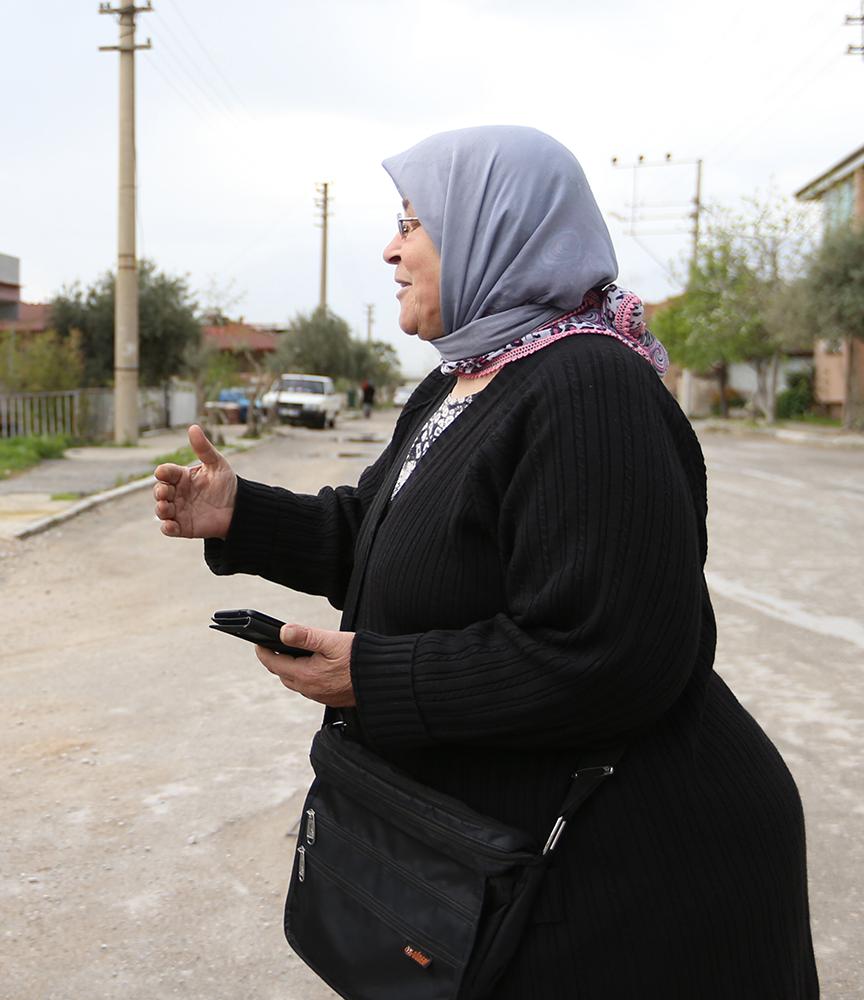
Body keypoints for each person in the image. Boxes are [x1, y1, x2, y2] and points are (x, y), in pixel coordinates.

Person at [153, 126, 818, 997]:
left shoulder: (589, 388)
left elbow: (609, 656)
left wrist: (373, 676)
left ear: (493, 229)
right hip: (521, 856)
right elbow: (386, 537)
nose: (390, 250)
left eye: (413, 224)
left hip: (627, 882)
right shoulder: (463, 380)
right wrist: (240, 513)